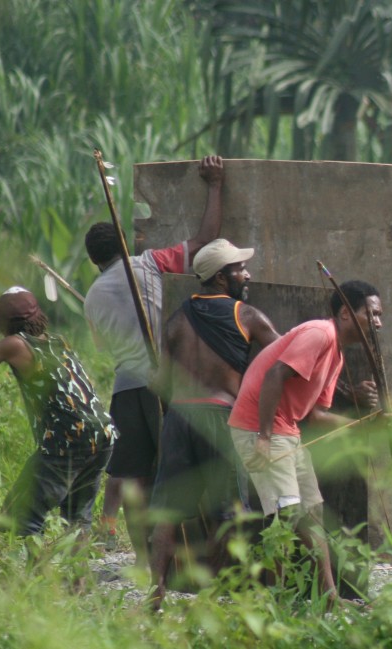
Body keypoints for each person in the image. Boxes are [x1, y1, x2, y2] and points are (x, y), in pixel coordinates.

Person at [84, 154, 225, 560]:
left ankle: (145, 559)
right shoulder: (147, 264)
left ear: (95, 260)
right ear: (125, 244)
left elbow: (105, 348)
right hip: (163, 383)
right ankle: (198, 556)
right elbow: (205, 241)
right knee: (181, 470)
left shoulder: (92, 297)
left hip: (126, 390)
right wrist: (214, 186)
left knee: (133, 477)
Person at [228, 280, 382, 608]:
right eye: (372, 314)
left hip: (288, 430)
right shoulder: (319, 334)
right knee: (285, 515)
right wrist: (264, 438)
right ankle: (275, 601)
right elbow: (274, 376)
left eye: (380, 315)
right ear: (345, 314)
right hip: (260, 428)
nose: (379, 322)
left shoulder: (336, 353)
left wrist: (366, 425)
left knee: (311, 513)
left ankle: (329, 597)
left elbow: (319, 415)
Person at [146, 239, 280, 610]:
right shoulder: (247, 316)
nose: (247, 273)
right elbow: (287, 362)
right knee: (231, 512)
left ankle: (156, 590)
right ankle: (215, 592)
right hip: (220, 419)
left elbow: (159, 381)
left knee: (168, 513)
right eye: (240, 268)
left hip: (178, 419)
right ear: (222, 277)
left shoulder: (177, 317)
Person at [0, 288, 116, 539]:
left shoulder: (13, 344)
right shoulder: (56, 340)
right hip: (101, 433)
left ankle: (34, 574)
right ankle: (79, 578)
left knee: (22, 515)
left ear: (1, 322)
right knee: (77, 519)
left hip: (68, 438)